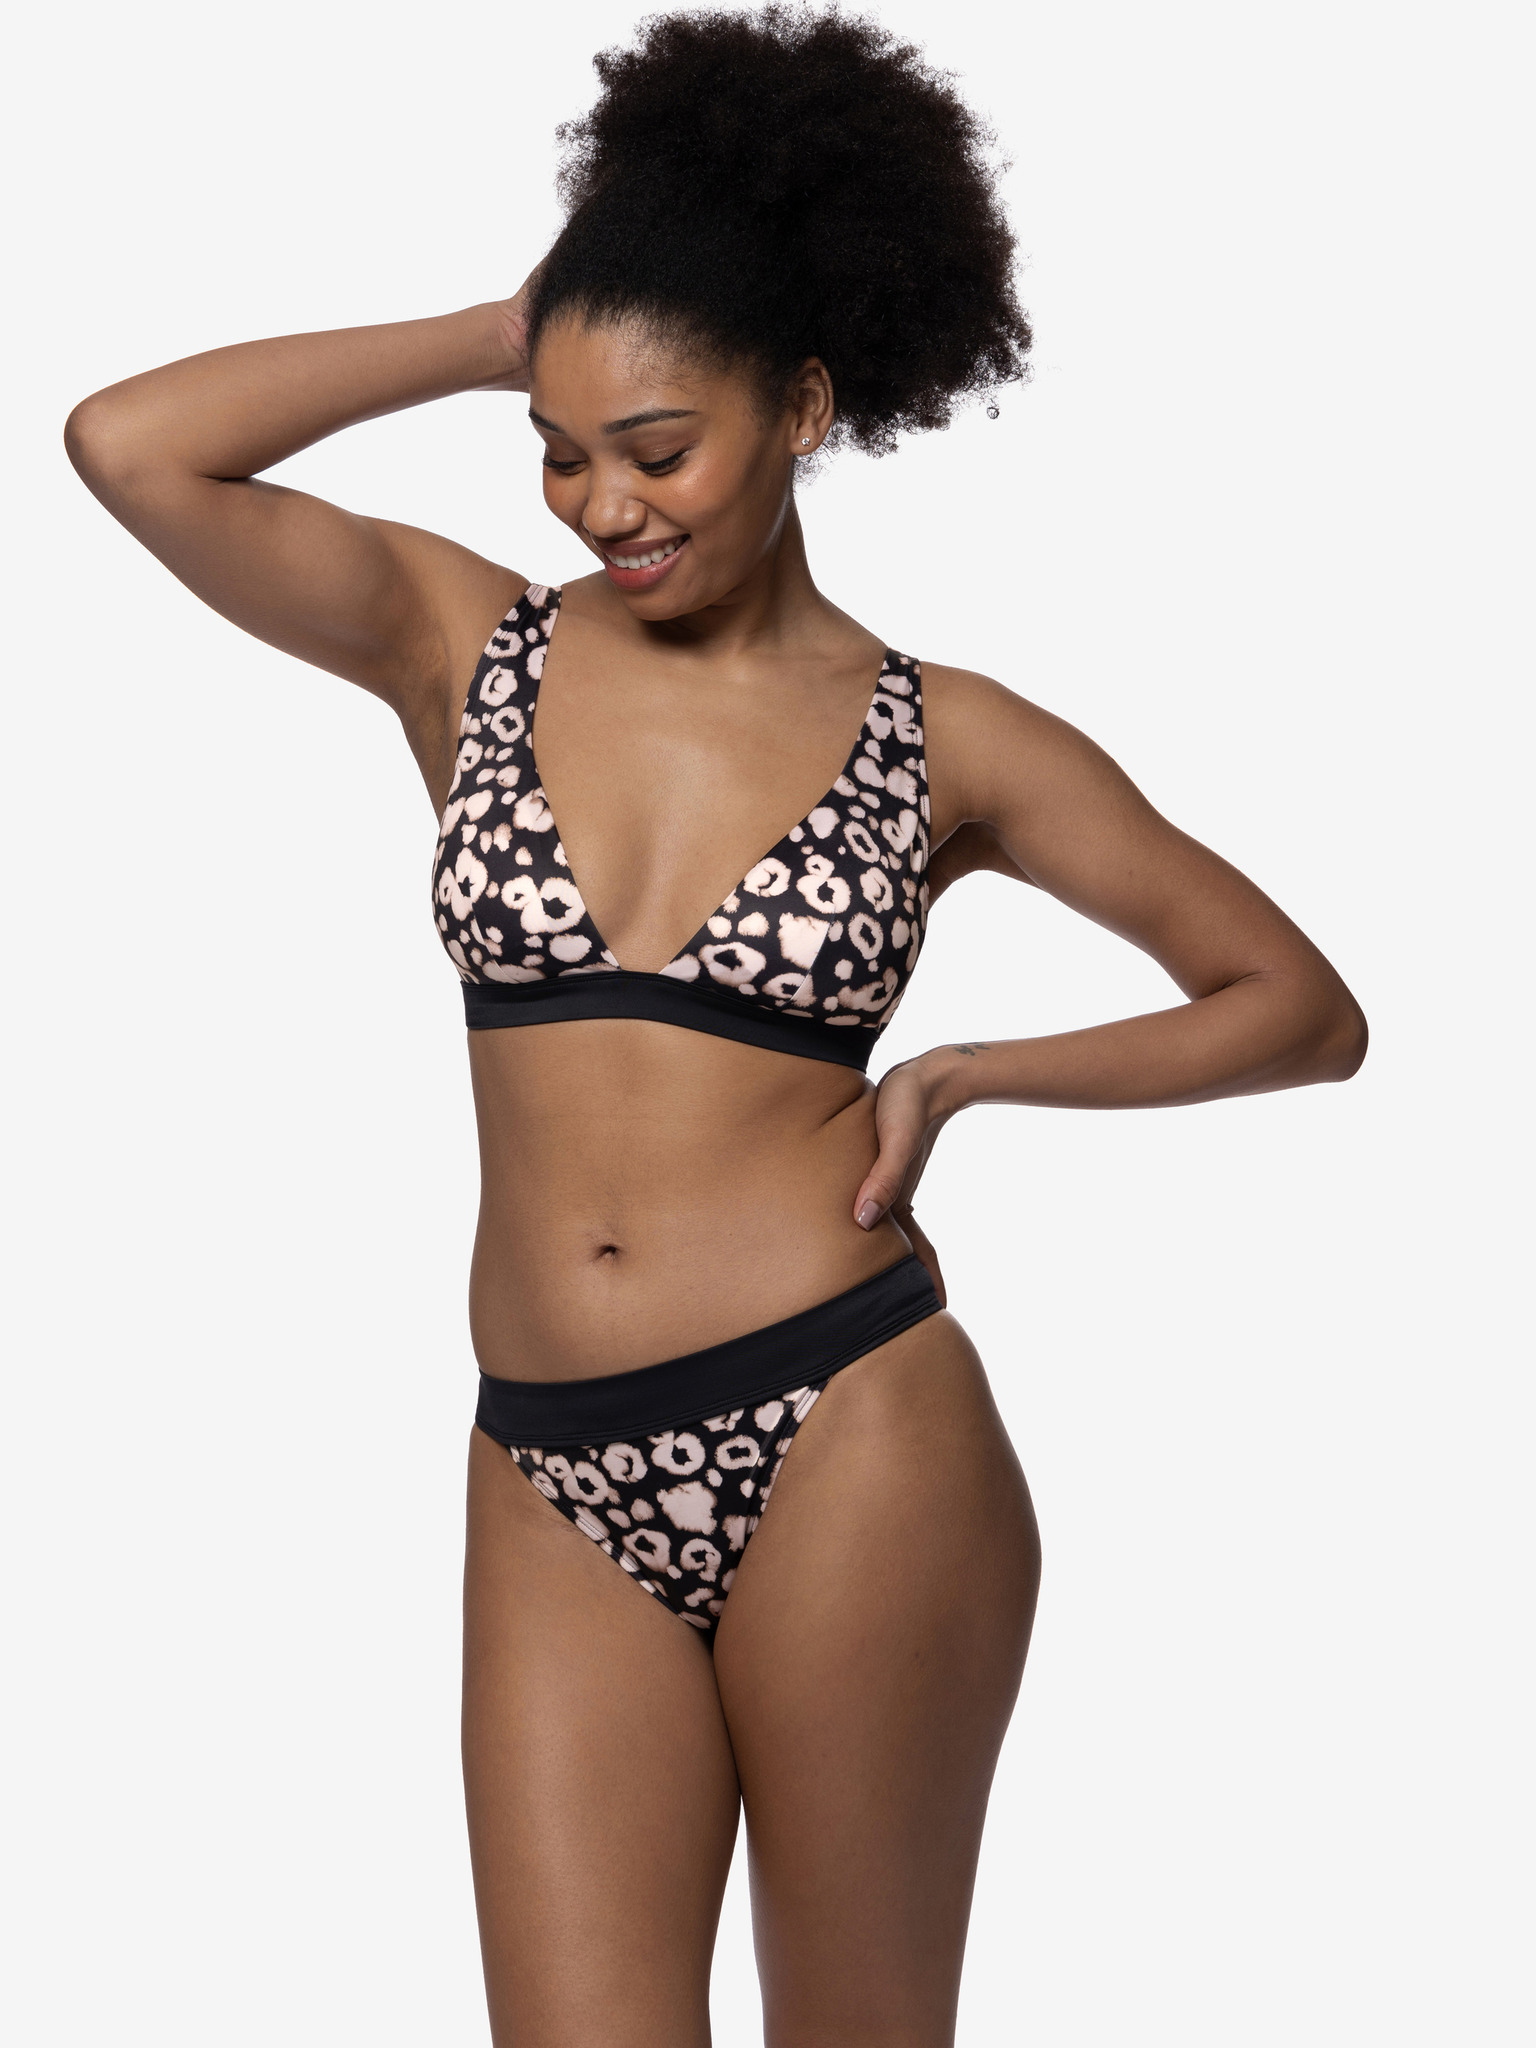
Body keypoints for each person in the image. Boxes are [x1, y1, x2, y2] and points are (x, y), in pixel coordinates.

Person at [63, 8, 1366, 2043]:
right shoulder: (464, 647)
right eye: (560, 451)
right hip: (544, 1467)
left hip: (852, 1427)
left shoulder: (952, 737)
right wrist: (516, 328)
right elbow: (128, 444)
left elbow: (1298, 1006)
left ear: (803, 405)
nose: (603, 505)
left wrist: (970, 1074)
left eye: (656, 448)